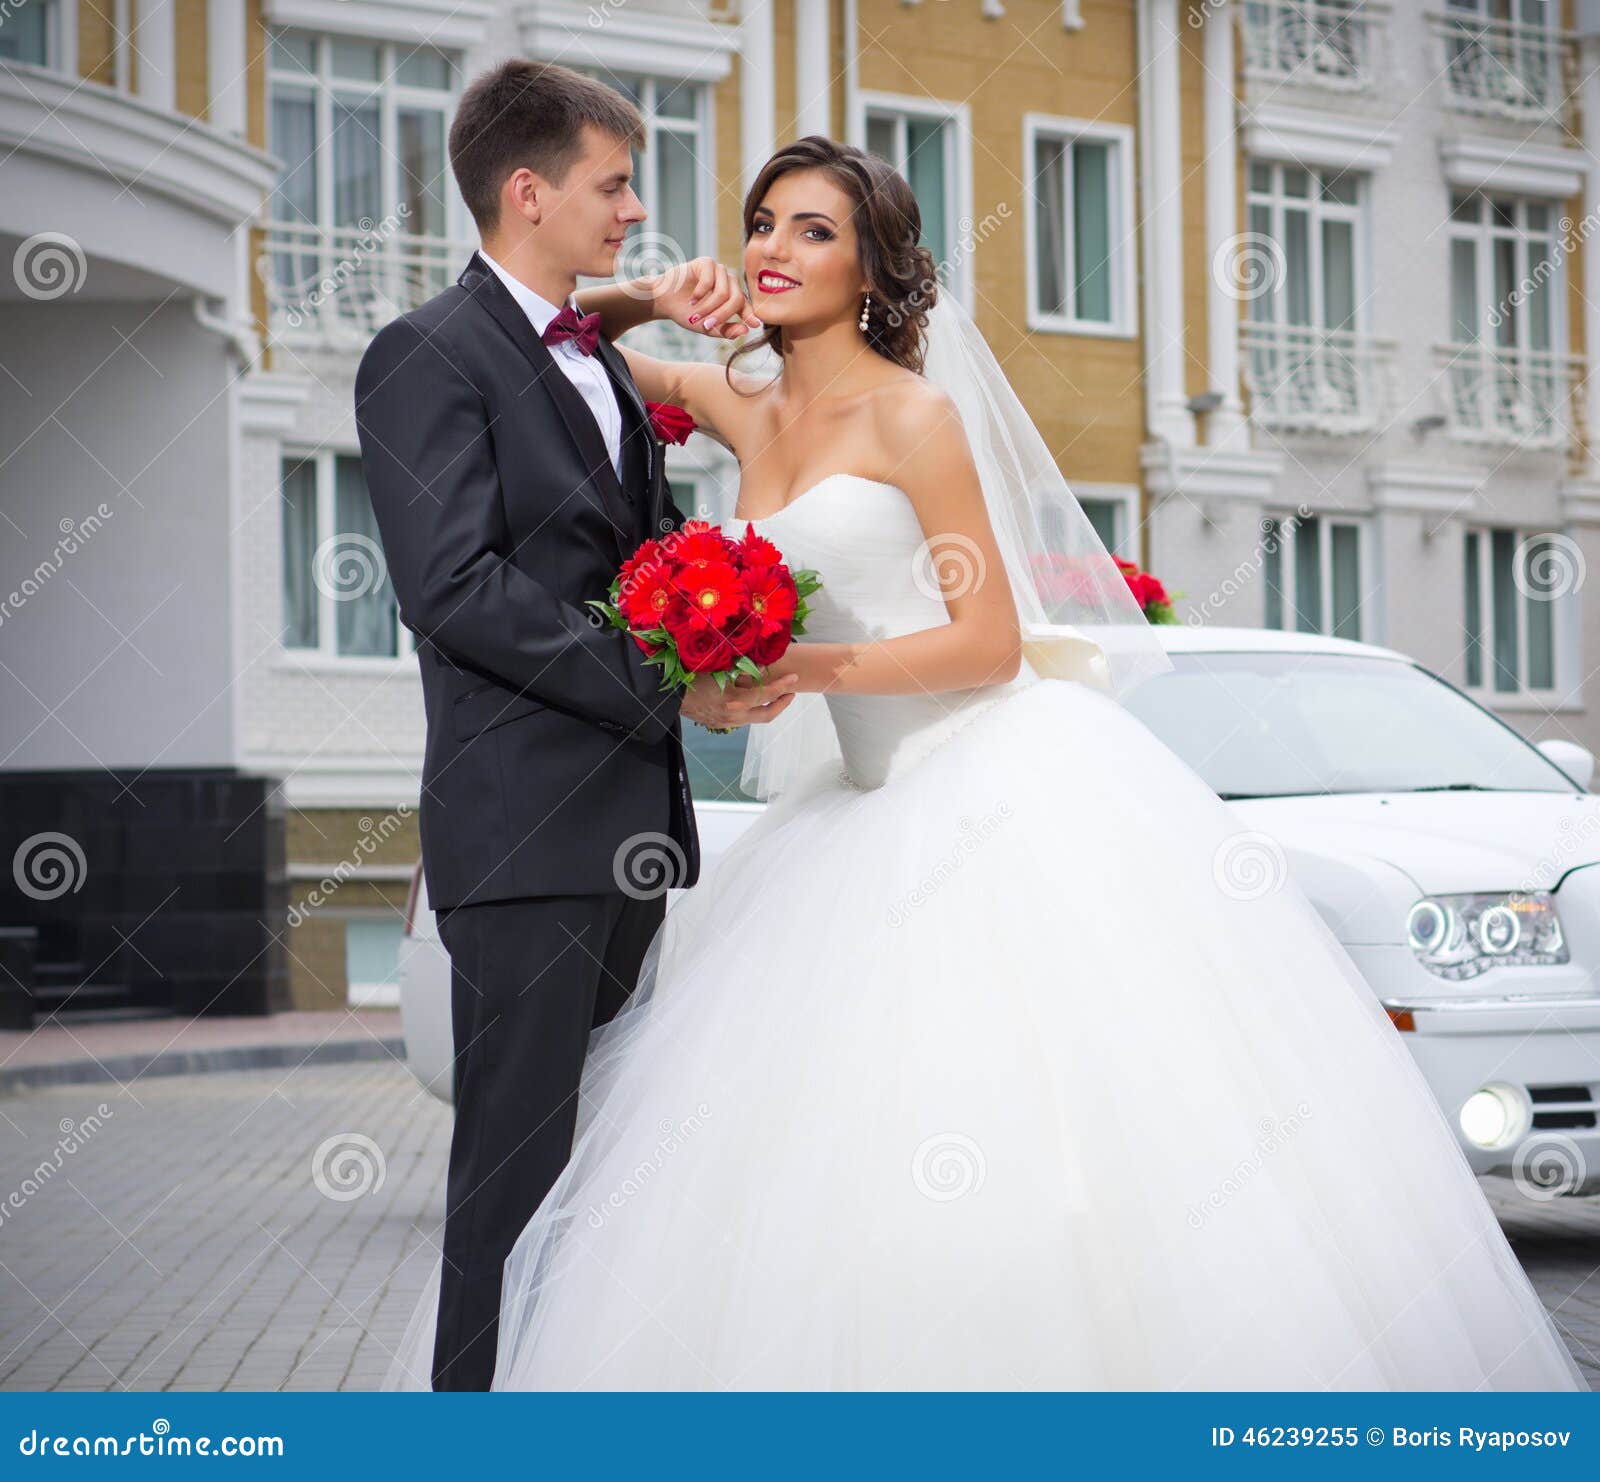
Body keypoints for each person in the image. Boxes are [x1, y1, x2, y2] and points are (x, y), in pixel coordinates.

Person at [383, 134, 1587, 1391]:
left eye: (813, 231)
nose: (773, 250)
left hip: (980, 783)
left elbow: (987, 640)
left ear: (871, 270)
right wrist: (652, 291)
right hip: (847, 806)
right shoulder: (743, 396)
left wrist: (803, 668)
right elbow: (556, 339)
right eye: (763, 224)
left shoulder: (914, 417)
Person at [353, 60, 795, 1391]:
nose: (633, 211)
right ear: (527, 191)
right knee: (514, 1181)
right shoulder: (423, 355)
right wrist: (670, 685)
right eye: (613, 186)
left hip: (631, 834)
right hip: (522, 840)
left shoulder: (590, 351)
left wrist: (713, 620)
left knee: (602, 1189)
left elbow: (630, 555)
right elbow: (455, 590)